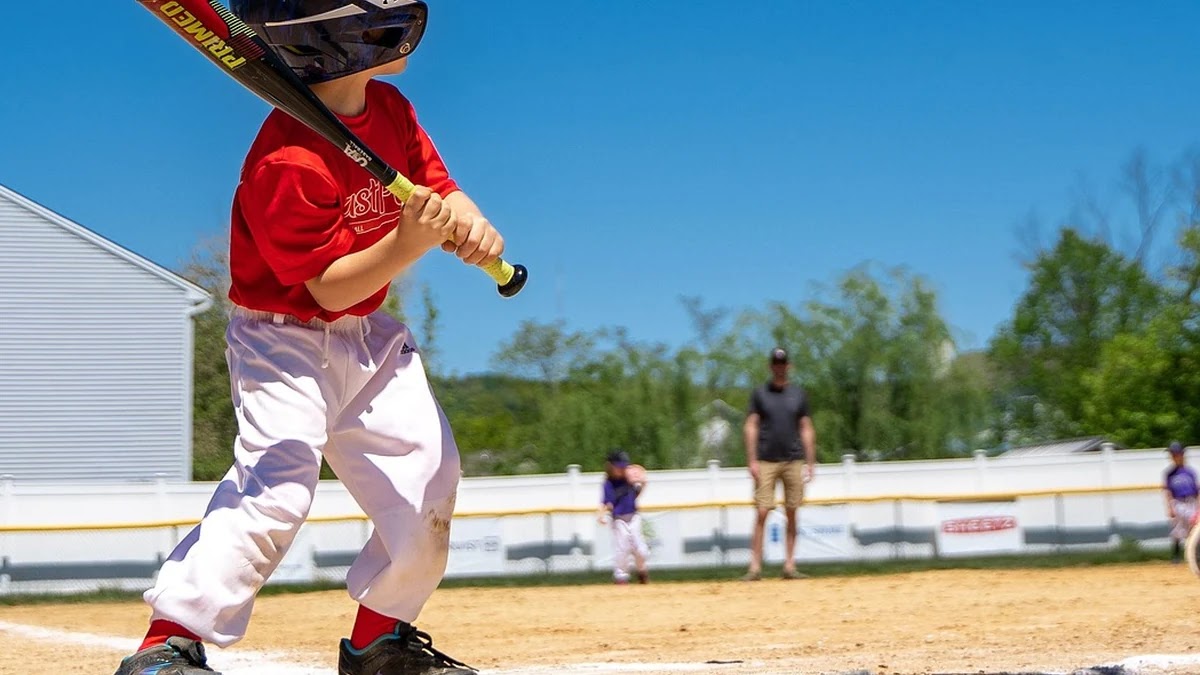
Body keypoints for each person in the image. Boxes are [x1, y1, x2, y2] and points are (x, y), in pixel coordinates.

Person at [113, 3, 499, 674]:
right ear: (334, 35)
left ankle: (381, 639)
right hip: (283, 342)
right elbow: (328, 287)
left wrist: (471, 223)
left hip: (368, 337)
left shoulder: (391, 109)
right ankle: (168, 642)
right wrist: (410, 241)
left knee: (430, 475)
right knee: (278, 487)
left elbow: (443, 191)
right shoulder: (285, 159)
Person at [742, 347, 816, 581]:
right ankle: (755, 567)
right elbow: (751, 425)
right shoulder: (760, 394)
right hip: (766, 460)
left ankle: (789, 565)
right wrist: (751, 459)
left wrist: (811, 461)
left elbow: (806, 428)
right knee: (762, 511)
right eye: (775, 363)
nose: (779, 367)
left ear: (788, 366)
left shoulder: (798, 395)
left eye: (783, 363)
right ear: (770, 366)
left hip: (793, 459)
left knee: (792, 511)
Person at [597, 450, 650, 585]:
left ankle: (642, 570)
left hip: (634, 516)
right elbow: (605, 502)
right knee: (622, 548)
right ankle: (621, 577)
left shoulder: (629, 479)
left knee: (640, 548)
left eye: (623, 466)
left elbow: (637, 492)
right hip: (619, 519)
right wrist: (601, 514)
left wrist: (643, 482)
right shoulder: (608, 484)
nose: (621, 468)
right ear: (611, 466)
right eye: (618, 466)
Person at [1164, 441, 1198, 564]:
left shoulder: (1190, 472)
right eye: (1172, 454)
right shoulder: (1169, 474)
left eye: (1176, 454)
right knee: (1177, 531)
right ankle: (1176, 556)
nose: (1173, 457)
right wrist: (1170, 507)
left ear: (1182, 454)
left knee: (1194, 530)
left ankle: (1194, 555)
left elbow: (1197, 491)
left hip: (1191, 502)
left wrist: (1198, 507)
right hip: (1177, 502)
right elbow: (1168, 492)